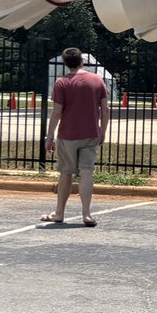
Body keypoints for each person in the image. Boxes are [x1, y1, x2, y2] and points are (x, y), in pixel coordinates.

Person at [42, 48, 110, 227]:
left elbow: (57, 113)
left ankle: (59, 213)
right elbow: (105, 109)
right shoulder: (97, 80)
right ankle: (86, 214)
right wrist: (103, 130)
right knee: (86, 172)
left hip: (68, 134)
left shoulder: (61, 82)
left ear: (65, 63)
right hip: (91, 132)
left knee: (65, 173)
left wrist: (49, 137)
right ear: (82, 61)